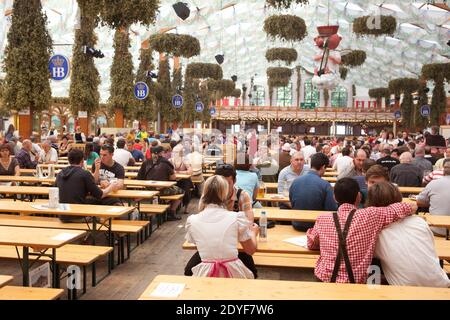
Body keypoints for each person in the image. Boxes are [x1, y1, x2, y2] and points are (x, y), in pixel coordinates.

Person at [306, 178, 417, 283]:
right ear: (359, 196)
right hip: (356, 282)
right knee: (375, 272)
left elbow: (311, 244)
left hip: (324, 279)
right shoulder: (371, 215)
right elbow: (408, 207)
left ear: (334, 197)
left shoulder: (322, 219)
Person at [368, 182, 450, 287]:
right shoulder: (420, 222)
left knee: (372, 272)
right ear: (399, 198)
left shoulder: (377, 232)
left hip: (405, 292)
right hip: (441, 284)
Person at [184, 164, 258, 278]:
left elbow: (248, 223)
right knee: (188, 270)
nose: (226, 188)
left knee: (252, 270)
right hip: (222, 249)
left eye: (227, 183)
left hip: (235, 246)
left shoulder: (242, 195)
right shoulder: (234, 217)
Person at [56, 149, 116, 223]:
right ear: (82, 161)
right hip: (78, 216)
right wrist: (111, 187)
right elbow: (100, 195)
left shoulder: (60, 174)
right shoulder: (84, 174)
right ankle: (118, 231)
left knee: (92, 201)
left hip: (62, 215)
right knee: (109, 206)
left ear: (69, 160)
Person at [290, 153, 337, 231]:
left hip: (297, 224)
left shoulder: (295, 181)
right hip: (316, 226)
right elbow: (331, 209)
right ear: (323, 167)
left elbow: (292, 202)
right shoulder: (325, 185)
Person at [137, 145, 183, 221]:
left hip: (148, 189)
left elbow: (140, 177)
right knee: (181, 192)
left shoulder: (146, 162)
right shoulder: (165, 162)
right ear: (161, 153)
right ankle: (172, 212)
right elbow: (173, 177)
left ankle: (162, 206)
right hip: (162, 189)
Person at [417, 159, 450, 237]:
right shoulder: (434, 183)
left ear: (443, 170)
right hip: (437, 227)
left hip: (436, 229)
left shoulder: (433, 183)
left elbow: (419, 202)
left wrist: (435, 202)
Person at [170, 143, 193, 212]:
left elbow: (190, 171)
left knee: (186, 190)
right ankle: (172, 208)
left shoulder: (184, 159)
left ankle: (186, 207)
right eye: (174, 151)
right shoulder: (170, 160)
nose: (175, 153)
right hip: (174, 180)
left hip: (184, 180)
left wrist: (179, 172)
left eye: (176, 152)